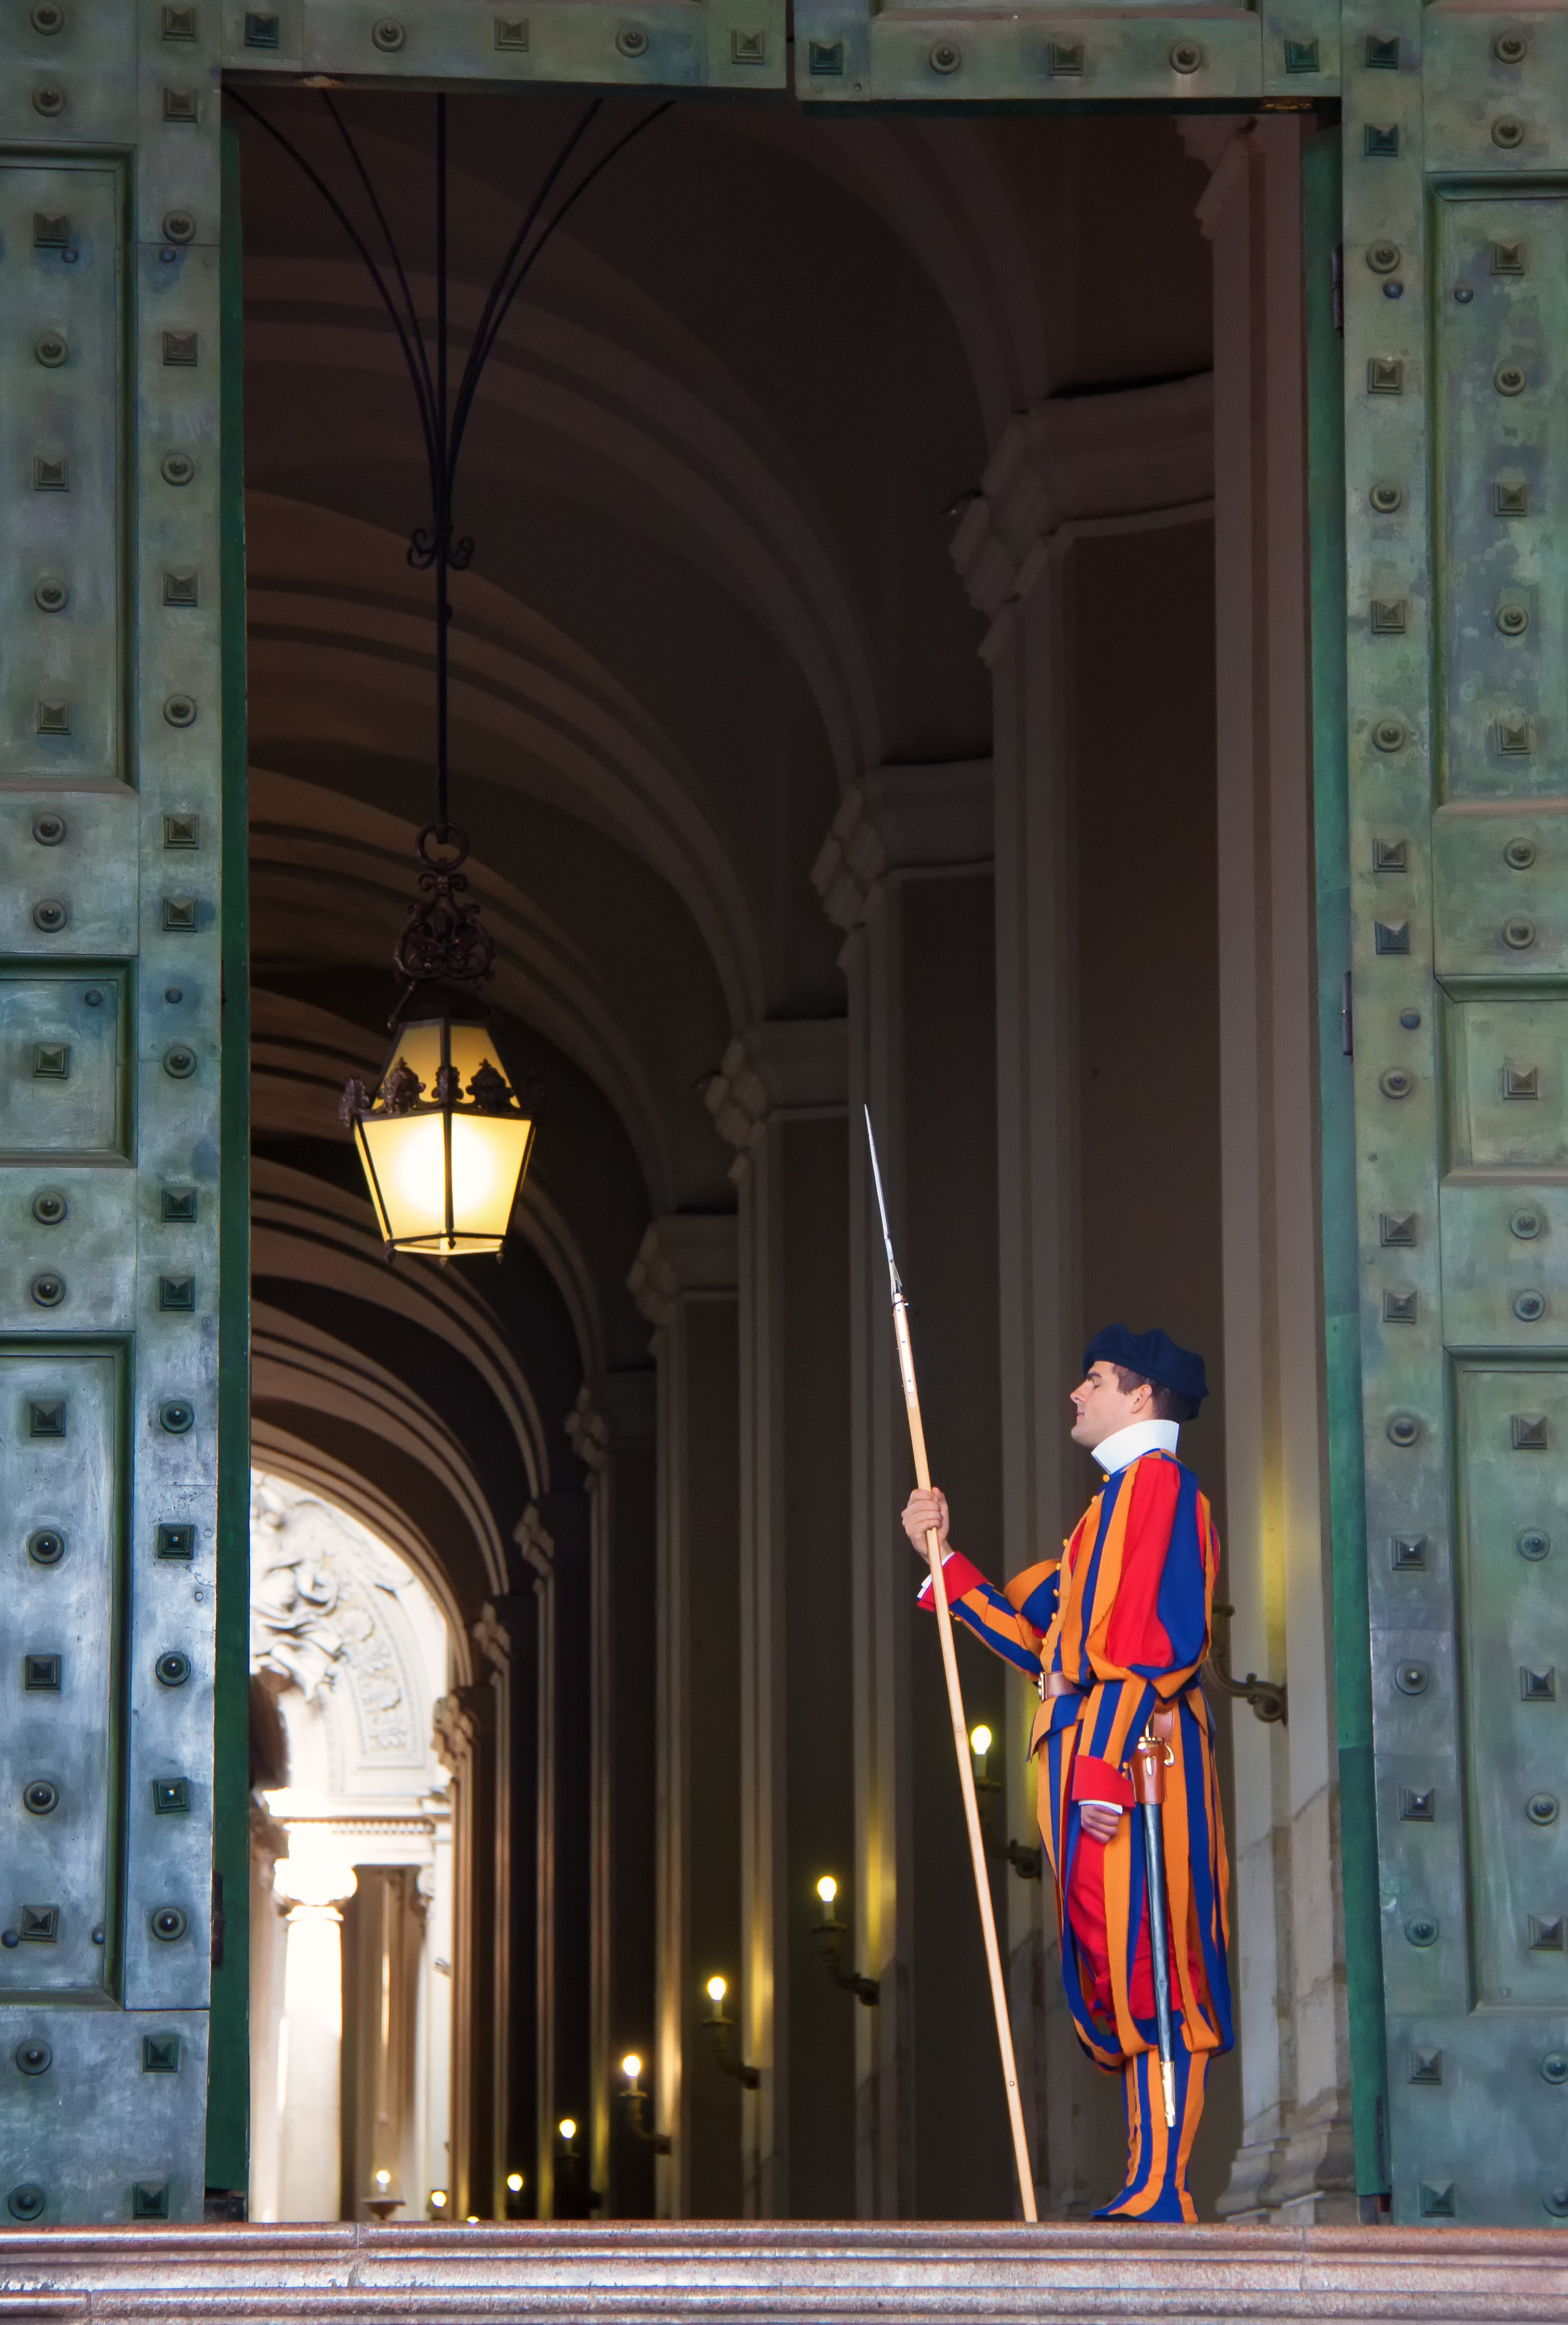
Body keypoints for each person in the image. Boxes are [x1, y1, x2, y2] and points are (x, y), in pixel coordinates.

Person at [901, 1324, 1232, 2224]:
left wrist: (1099, 1768)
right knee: (1119, 1973)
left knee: (1160, 1966)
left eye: (1093, 1380)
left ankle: (1163, 2184)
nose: (1076, 1394)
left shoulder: (1158, 1492)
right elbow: (1046, 1646)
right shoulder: (1104, 1513)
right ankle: (1145, 2176)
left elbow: (1145, 1649)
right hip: (1100, 1770)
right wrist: (942, 1559)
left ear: (1140, 1397)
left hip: (1137, 1766)